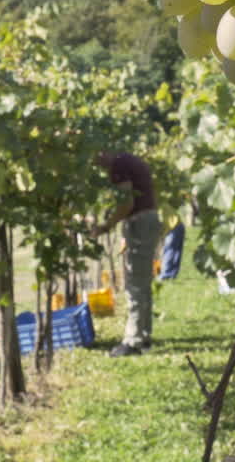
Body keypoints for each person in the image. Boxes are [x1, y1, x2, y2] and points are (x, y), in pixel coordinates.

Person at [92, 150, 159, 357]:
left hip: (140, 223)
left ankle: (133, 342)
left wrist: (106, 226)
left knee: (135, 284)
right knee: (142, 283)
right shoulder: (126, 159)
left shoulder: (118, 165)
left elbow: (126, 203)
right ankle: (143, 336)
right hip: (147, 220)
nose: (95, 165)